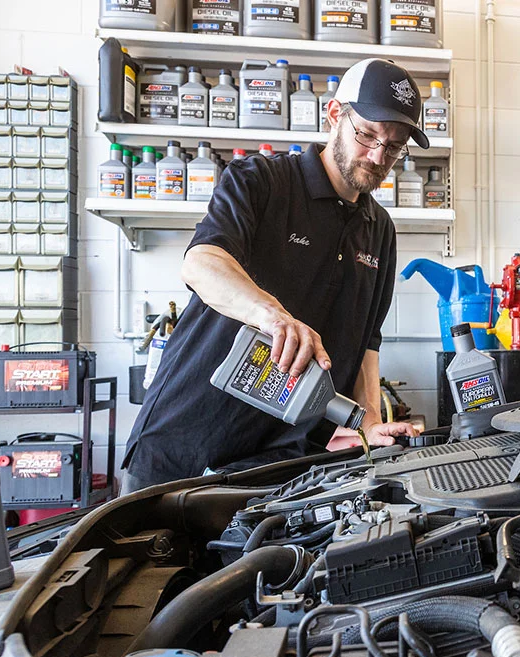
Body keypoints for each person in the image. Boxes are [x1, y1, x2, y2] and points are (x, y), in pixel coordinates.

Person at [121, 58, 425, 493]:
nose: (378, 156)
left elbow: (367, 345)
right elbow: (202, 262)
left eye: (393, 147)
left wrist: (370, 422)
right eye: (367, 135)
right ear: (334, 115)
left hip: (284, 464)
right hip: (185, 443)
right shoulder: (261, 181)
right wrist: (273, 317)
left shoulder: (380, 230)